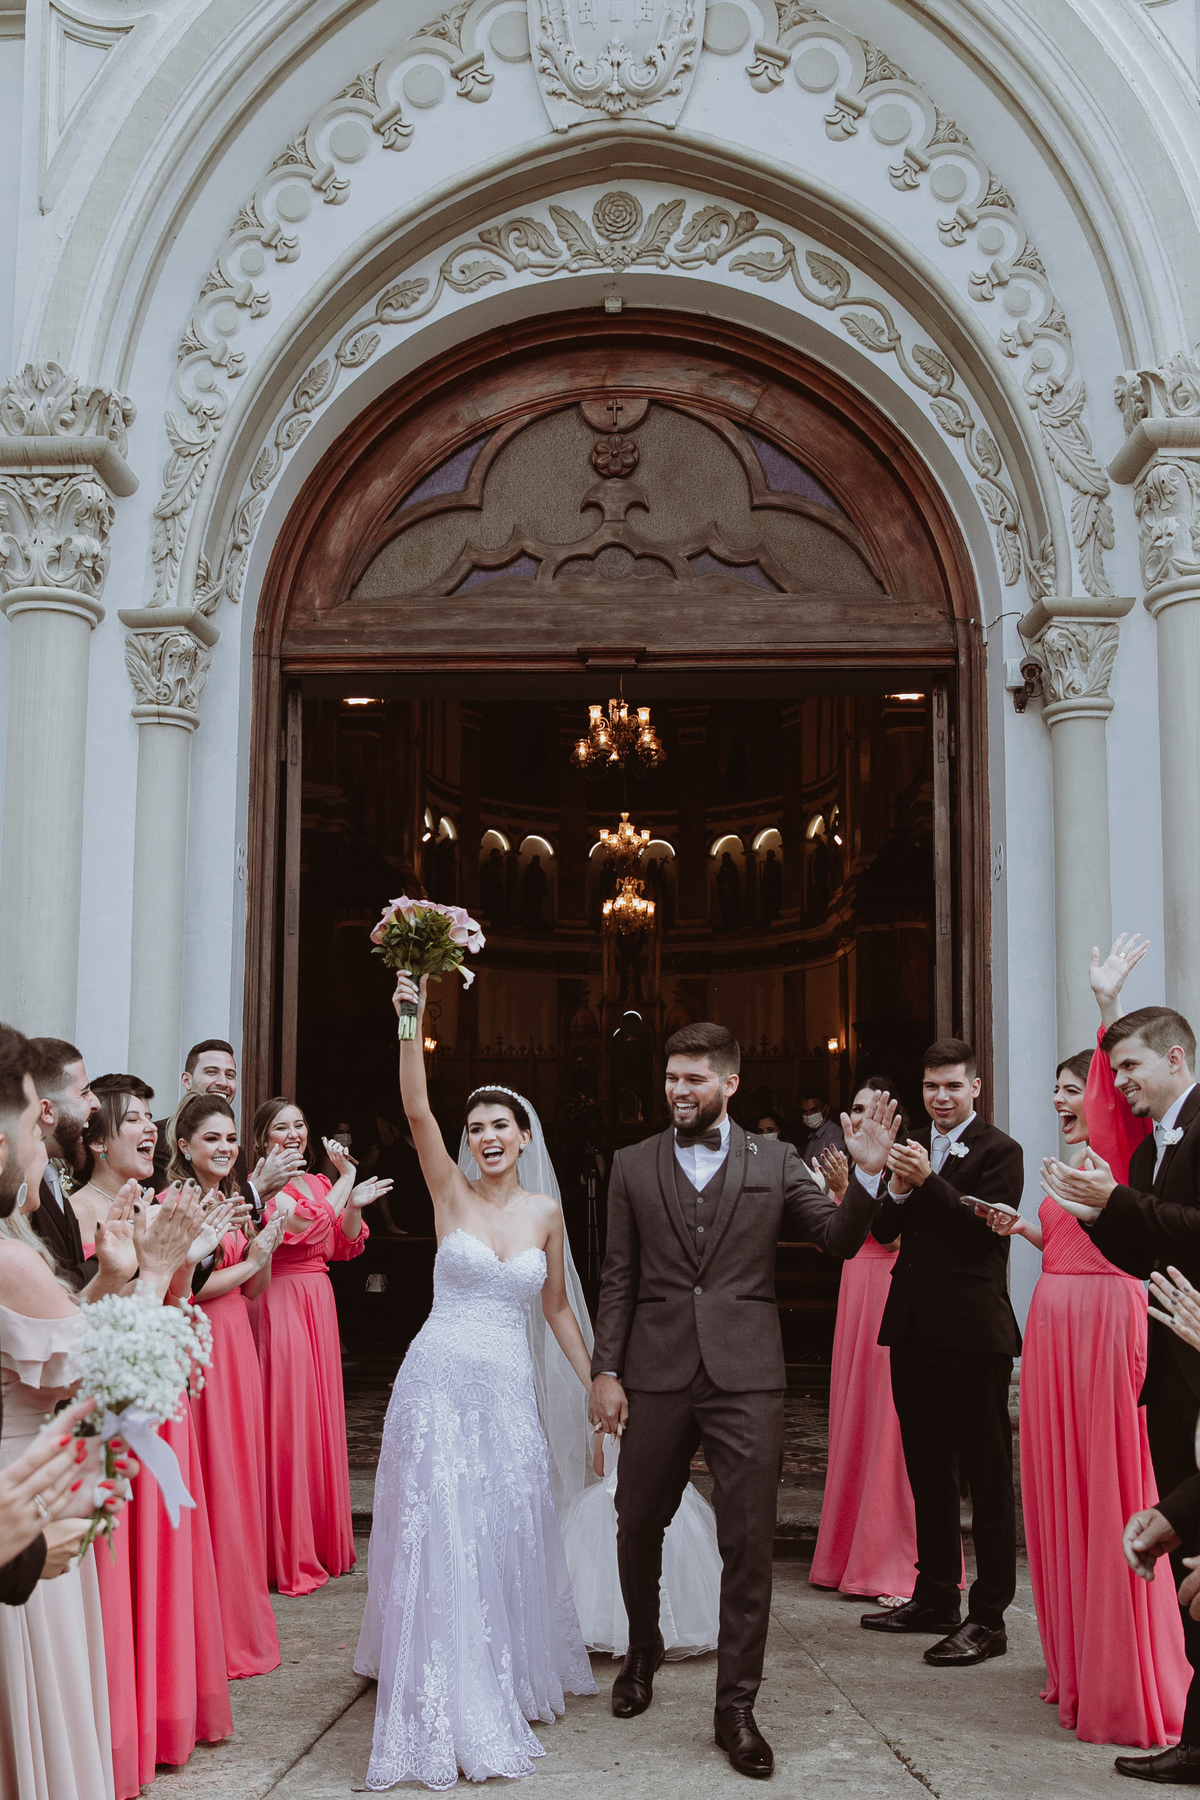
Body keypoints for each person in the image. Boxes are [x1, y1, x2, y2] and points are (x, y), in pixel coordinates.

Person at [588, 1021, 896, 1779]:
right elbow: (619, 1274)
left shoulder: (776, 1159)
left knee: (749, 1541)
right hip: (655, 1369)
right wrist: (605, 1370)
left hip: (748, 1375)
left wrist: (866, 1178)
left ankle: (736, 1708)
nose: (678, 1090)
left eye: (693, 1079)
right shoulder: (632, 1163)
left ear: (728, 1082)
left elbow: (836, 1240)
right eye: (671, 1077)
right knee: (636, 1522)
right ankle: (643, 1649)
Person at [354, 976, 597, 1789]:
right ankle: (437, 1678)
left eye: (500, 1125)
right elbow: (416, 1107)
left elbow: (556, 1308)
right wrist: (410, 1018)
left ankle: (497, 1664)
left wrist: (596, 1381)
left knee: (499, 1527)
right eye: (476, 1127)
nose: (486, 1136)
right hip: (436, 1386)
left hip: (506, 1395)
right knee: (441, 1528)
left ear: (525, 1137)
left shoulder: (545, 1214)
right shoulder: (448, 1193)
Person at [984, 1023, 1188, 1744]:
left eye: (1073, 1089)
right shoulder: (1076, 1161)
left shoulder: (1128, 1156)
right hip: (1055, 1326)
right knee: (1059, 1484)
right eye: (1055, 1090)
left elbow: (1122, 1236)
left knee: (1109, 1483)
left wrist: (1106, 1007)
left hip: (1106, 1326)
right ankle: (1075, 1658)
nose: (1058, 1100)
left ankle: (1126, 1671)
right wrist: (1029, 1231)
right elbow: (1081, 1240)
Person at [1044, 997, 1200, 1782]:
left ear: (1176, 1058)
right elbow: (1143, 1251)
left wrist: (1120, 1204)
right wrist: (1099, 1213)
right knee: (1189, 1554)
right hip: (1172, 1373)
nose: (1121, 1080)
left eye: (1130, 1065)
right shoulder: (1149, 1151)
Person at [857, 1038, 1023, 1669]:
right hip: (914, 1331)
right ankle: (934, 1596)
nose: (941, 1097)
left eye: (953, 1085)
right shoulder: (912, 1148)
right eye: (931, 1087)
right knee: (926, 1469)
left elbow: (981, 1237)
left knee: (985, 1475)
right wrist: (899, 1188)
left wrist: (928, 1181)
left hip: (973, 1335)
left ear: (974, 1087)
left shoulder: (1000, 1151)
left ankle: (989, 1617)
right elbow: (882, 1233)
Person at [168, 1095, 284, 1681]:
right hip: (201, 1341)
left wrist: (264, 1248)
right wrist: (252, 1260)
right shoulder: (177, 1204)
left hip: (238, 1340)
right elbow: (188, 1288)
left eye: (230, 1138)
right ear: (184, 1146)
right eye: (211, 1138)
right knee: (212, 1473)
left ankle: (239, 1615)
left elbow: (256, 1289)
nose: (225, 1147)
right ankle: (208, 1626)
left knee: (239, 1473)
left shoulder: (234, 1202)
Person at [251, 1098, 382, 1596]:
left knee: (317, 1416)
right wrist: (347, 1178)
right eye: (280, 1127)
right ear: (263, 1138)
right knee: (290, 1417)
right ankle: (286, 1547)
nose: (293, 1133)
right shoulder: (265, 1185)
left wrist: (353, 1201)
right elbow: (306, 1226)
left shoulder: (318, 1184)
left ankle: (321, 1541)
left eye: (300, 1125)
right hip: (280, 1299)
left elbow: (342, 1244)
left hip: (318, 1300)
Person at [810, 1077, 920, 1604]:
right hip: (855, 1287)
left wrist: (855, 1186)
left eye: (870, 1108)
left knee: (887, 1418)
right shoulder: (849, 1163)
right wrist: (840, 1189)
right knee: (853, 1413)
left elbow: (892, 1237)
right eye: (855, 1107)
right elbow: (832, 1240)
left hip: (887, 1287)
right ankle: (844, 1553)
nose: (859, 1117)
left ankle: (892, 1560)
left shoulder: (901, 1162)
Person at [27, 1037, 97, 1288]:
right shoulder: (17, 1189)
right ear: (47, 1111)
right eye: (84, 1092)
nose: (96, 1103)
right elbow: (49, 1287)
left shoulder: (51, 1171)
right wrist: (113, 1257)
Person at [798, 1091, 845, 1167]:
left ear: (826, 1109)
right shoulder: (814, 1135)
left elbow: (835, 1172)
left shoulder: (834, 1137)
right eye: (805, 1111)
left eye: (814, 1110)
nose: (809, 1115)